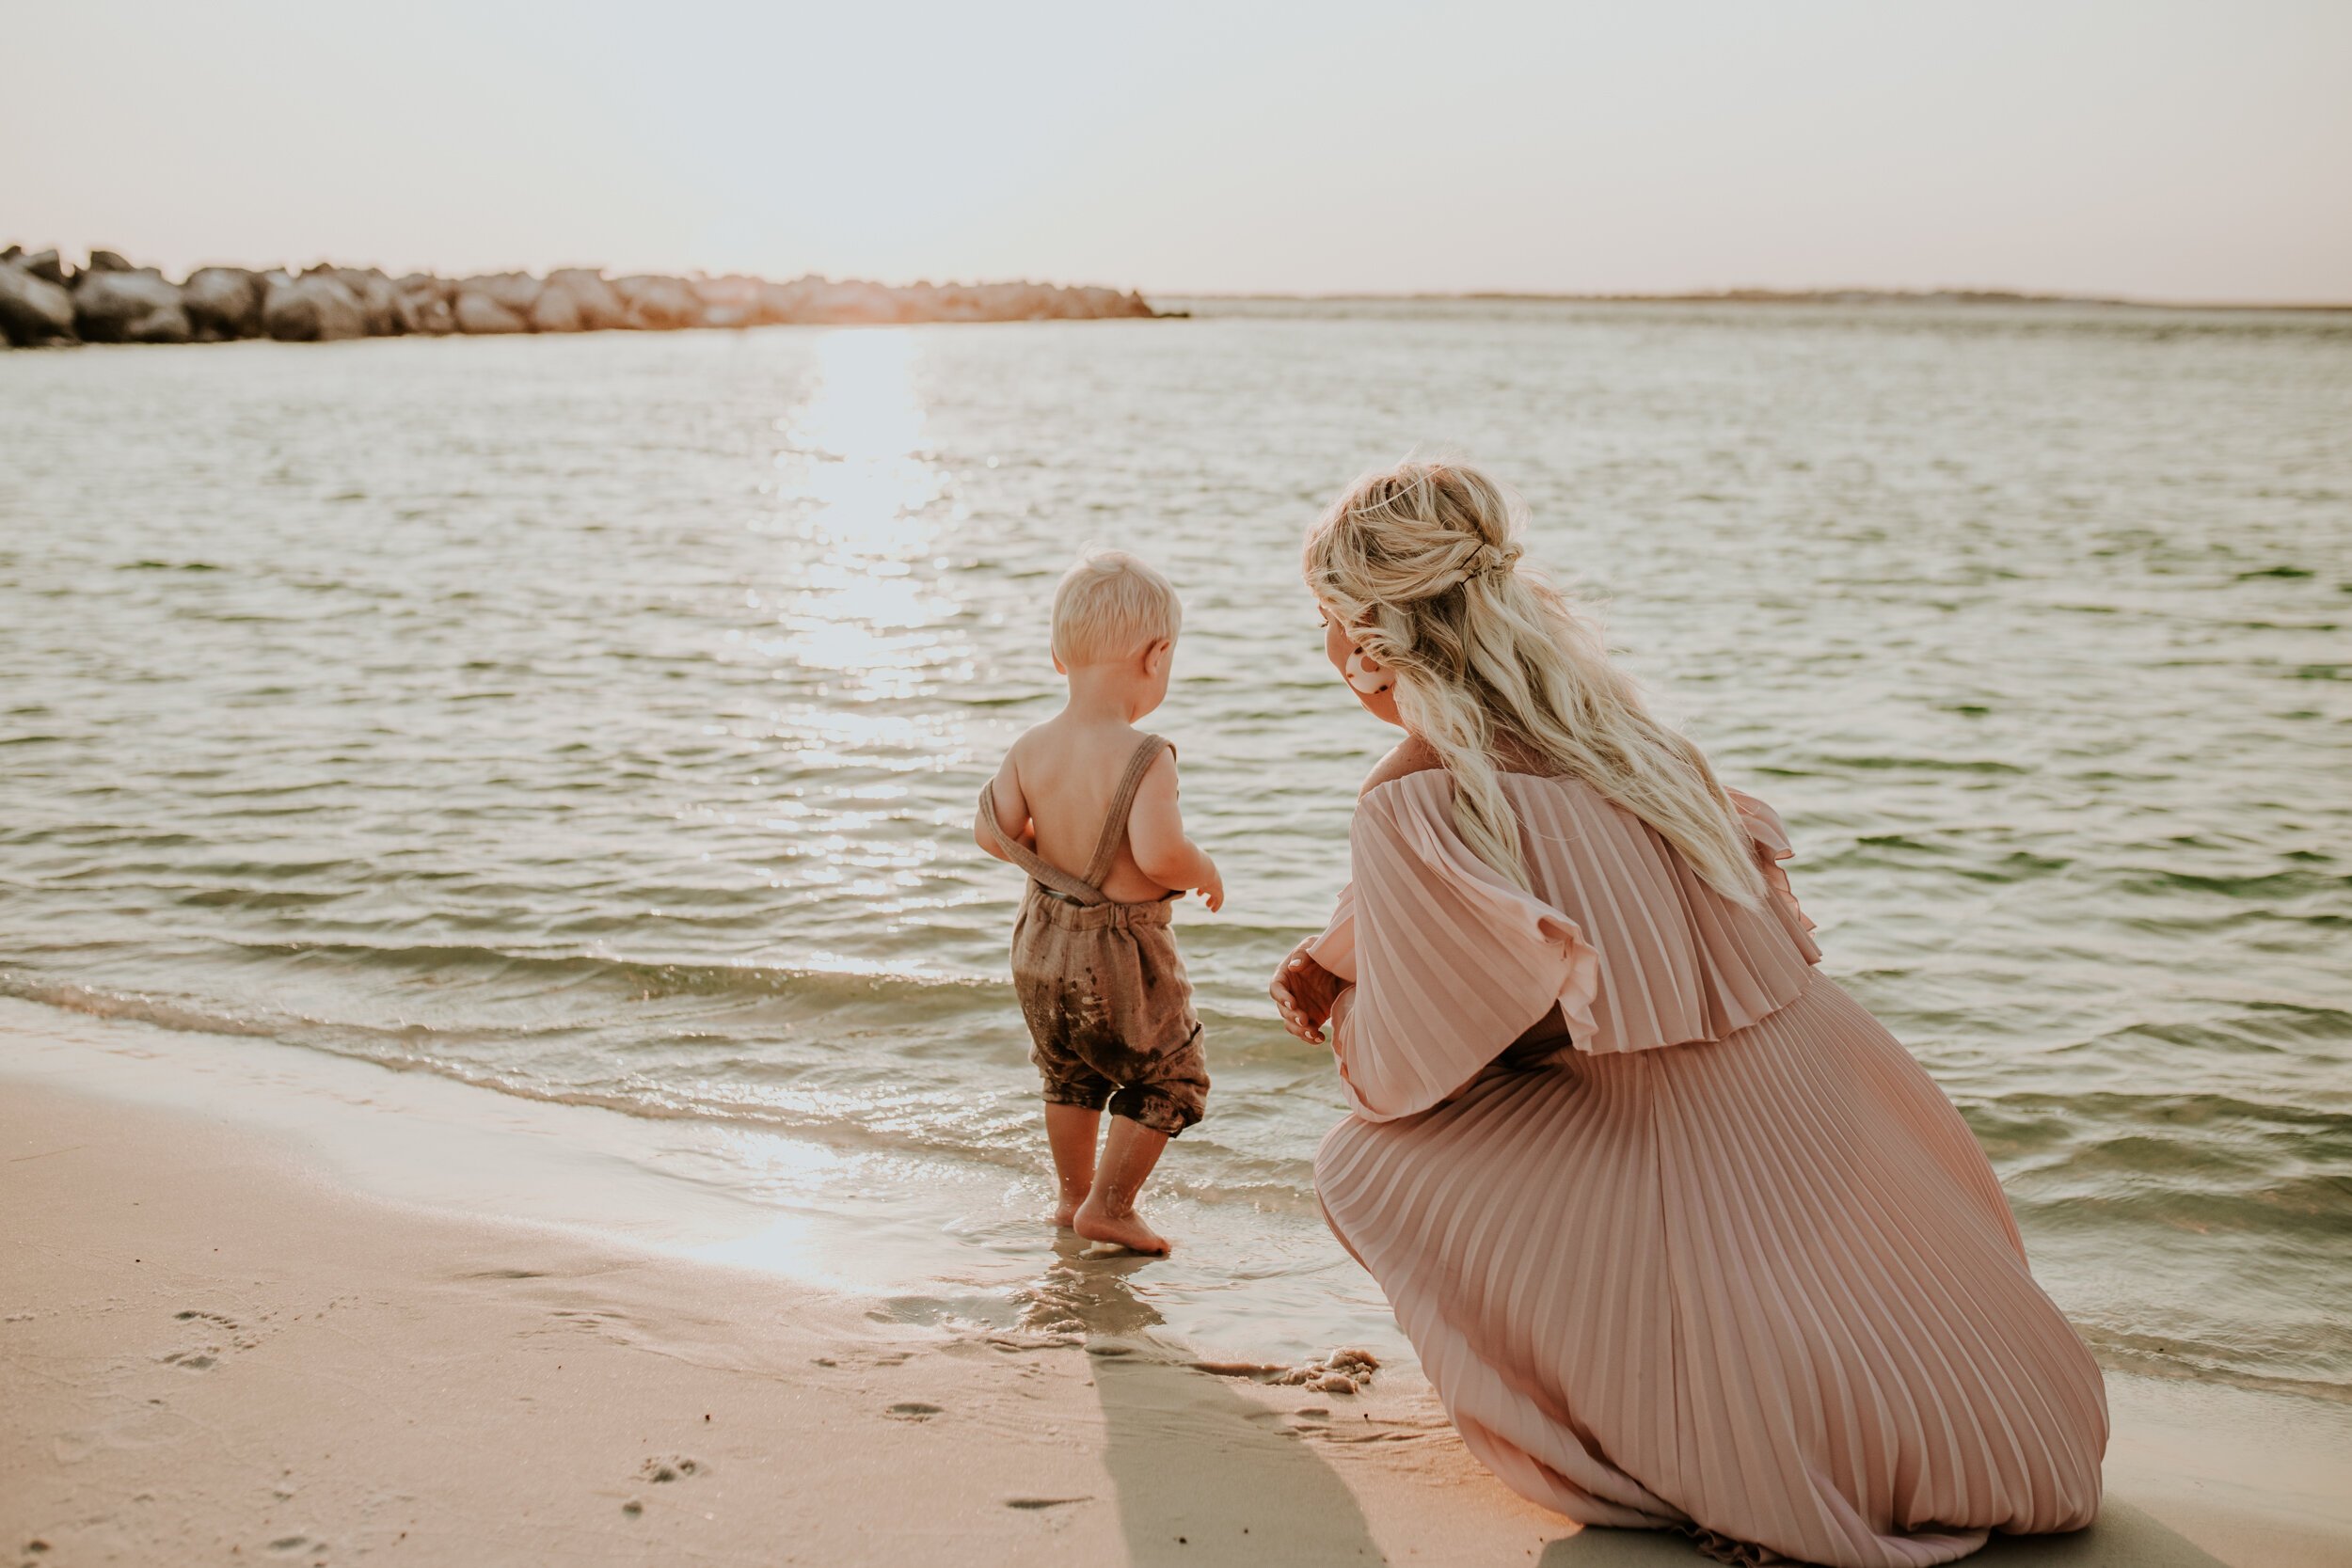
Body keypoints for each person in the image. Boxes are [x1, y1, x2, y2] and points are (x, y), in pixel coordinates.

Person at [1271, 461, 2106, 1566]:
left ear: (1368, 639)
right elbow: (1597, 937)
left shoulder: (1412, 801)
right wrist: (1354, 948)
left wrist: (1351, 1000)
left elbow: (1414, 1077)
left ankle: (1660, 1427)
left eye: (1328, 623)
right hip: (1846, 1119)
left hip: (1687, 1153)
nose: (1328, 652)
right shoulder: (1634, 747)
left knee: (1372, 1161)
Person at [976, 549, 1222, 1256]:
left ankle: (1070, 1195)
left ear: (1060, 656)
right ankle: (1111, 1205)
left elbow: (989, 832)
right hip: (1120, 952)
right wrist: (1202, 867)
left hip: (1040, 941)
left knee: (1067, 1070)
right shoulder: (1146, 753)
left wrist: (1046, 847)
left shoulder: (1031, 746)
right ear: (1157, 656)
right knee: (1173, 1074)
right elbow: (1158, 855)